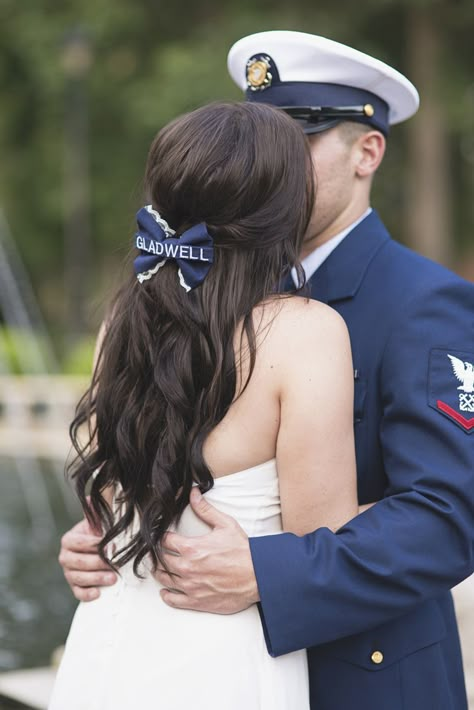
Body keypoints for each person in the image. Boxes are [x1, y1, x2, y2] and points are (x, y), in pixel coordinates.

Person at [59, 32, 474, 710]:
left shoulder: (425, 302)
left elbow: (450, 515)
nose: (270, 167)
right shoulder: (182, 292)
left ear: (368, 151)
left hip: (361, 674)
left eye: (296, 144)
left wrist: (267, 570)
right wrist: (114, 529)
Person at [50, 100, 360, 710]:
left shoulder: (122, 320)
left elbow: (110, 501)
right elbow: (325, 539)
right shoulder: (306, 333)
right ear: (283, 207)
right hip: (221, 655)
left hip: (107, 644)